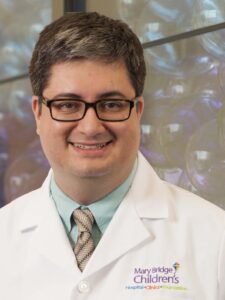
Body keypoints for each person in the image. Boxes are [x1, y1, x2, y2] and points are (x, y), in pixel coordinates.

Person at [0, 11, 224, 300]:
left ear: (138, 111)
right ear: (38, 113)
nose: (91, 127)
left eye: (112, 104)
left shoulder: (214, 239)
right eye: (68, 105)